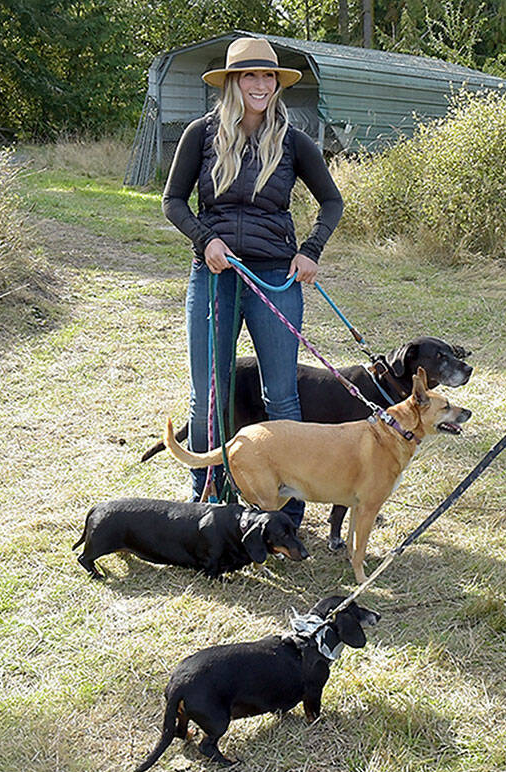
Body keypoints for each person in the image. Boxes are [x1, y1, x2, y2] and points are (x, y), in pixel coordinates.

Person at [162, 36, 344, 521]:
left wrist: (310, 250)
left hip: (274, 278)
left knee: (280, 392)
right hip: (214, 275)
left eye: (268, 77)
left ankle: (288, 506)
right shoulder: (199, 135)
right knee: (209, 391)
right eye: (250, 76)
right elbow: (173, 201)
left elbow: (332, 202)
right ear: (232, 83)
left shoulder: (294, 140)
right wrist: (206, 240)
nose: (260, 85)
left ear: (276, 84)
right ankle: (206, 496)